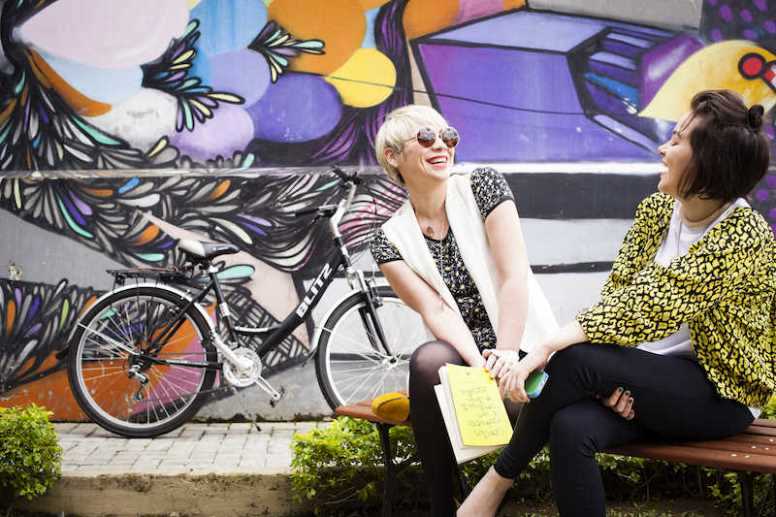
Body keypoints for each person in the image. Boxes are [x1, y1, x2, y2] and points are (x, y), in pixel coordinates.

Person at [458, 89, 776, 517]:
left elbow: (653, 302)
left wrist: (546, 347)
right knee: (571, 427)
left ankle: (497, 482)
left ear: (708, 163)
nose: (664, 148)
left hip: (720, 392)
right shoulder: (659, 210)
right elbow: (619, 295)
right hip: (652, 376)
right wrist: (610, 382)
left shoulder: (743, 235)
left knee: (574, 358)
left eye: (678, 140)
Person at [370, 104, 627, 516]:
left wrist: (506, 354)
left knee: (564, 386)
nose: (441, 145)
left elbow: (513, 276)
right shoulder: (388, 240)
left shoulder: (482, 185)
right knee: (426, 361)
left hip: (524, 349)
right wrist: (480, 365)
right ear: (393, 156)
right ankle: (442, 506)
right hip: (470, 362)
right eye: (425, 138)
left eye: (447, 135)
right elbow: (435, 312)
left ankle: (481, 497)